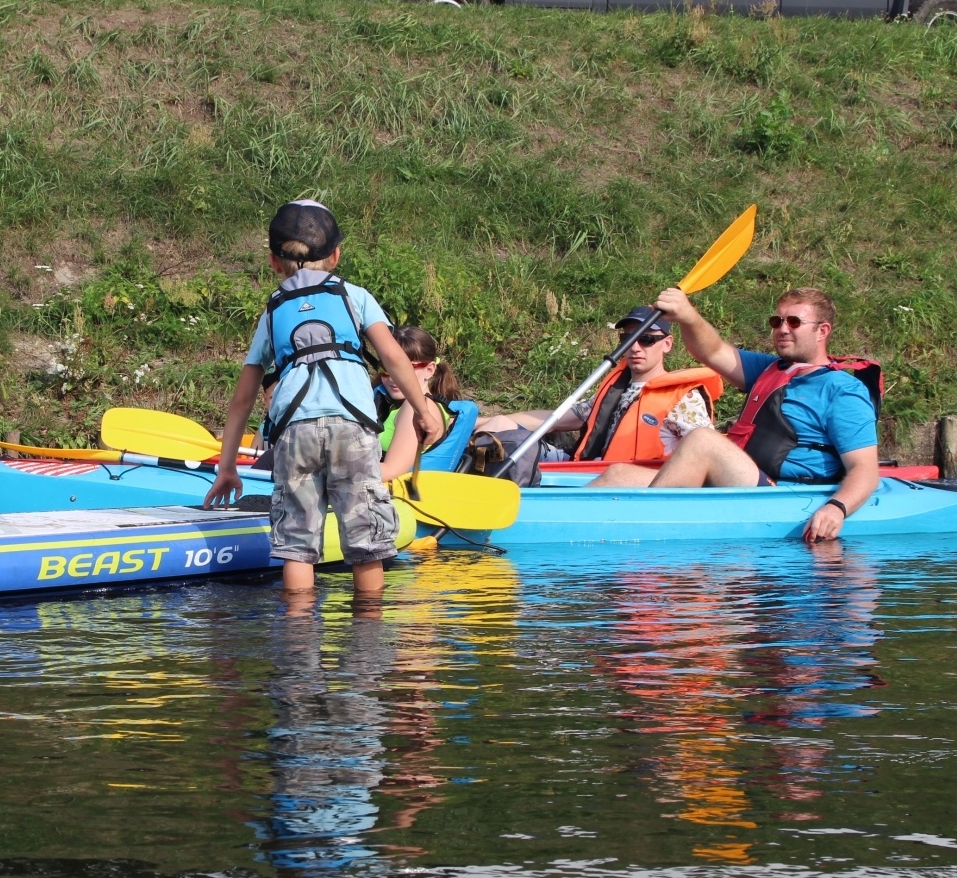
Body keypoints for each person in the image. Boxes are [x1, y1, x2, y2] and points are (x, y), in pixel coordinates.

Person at [203, 200, 437, 596]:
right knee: (366, 543)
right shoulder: (354, 296)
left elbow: (242, 401)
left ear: (274, 263)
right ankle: (369, 640)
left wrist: (228, 468)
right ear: (336, 255)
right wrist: (422, 409)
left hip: (295, 431)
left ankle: (297, 644)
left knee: (297, 545)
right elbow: (394, 358)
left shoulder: (272, 312)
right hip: (351, 426)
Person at [589, 286, 880, 543]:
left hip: (782, 494)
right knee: (618, 474)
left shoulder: (842, 390)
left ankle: (635, 533)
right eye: (777, 321)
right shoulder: (768, 370)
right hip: (743, 481)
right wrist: (688, 316)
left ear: (822, 331)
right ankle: (565, 521)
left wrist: (837, 507)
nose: (782, 329)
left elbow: (865, 469)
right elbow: (712, 350)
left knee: (703, 441)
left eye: (794, 322)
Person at [475, 307, 721, 463]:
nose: (635, 347)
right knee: (500, 427)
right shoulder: (615, 387)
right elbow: (557, 418)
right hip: (584, 468)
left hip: (628, 481)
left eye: (645, 339)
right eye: (628, 339)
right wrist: (479, 422)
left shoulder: (683, 398)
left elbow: (708, 451)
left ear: (667, 344)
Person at [376, 325, 478, 481]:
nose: (392, 377)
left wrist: (334, 470)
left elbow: (391, 471)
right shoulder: (390, 401)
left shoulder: (416, 408)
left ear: (430, 370)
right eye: (386, 367)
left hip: (397, 496)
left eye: (405, 368)